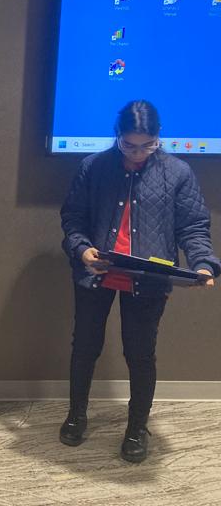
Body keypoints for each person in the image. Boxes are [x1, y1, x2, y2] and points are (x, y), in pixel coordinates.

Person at [59, 100, 219, 462]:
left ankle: (136, 428)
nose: (138, 153)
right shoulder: (93, 166)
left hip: (147, 279)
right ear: (117, 136)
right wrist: (81, 250)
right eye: (129, 145)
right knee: (85, 346)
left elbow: (194, 227)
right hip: (97, 272)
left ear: (159, 137)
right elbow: (73, 218)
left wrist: (203, 264)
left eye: (147, 146)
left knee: (140, 353)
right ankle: (76, 415)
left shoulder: (178, 173)